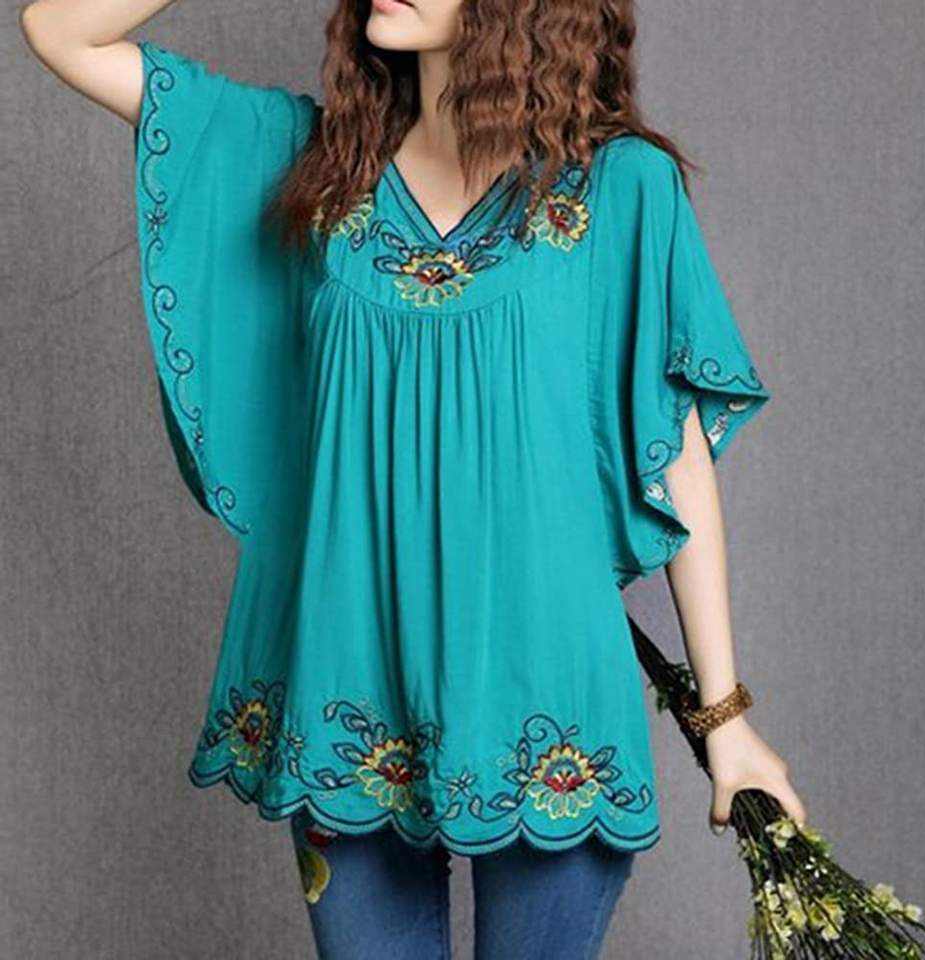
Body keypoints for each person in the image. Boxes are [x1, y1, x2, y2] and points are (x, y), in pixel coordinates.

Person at [21, 0, 807, 956]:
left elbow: (675, 455)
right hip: (346, 695)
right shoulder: (313, 166)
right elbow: (60, 31)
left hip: (546, 703)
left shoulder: (619, 188)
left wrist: (725, 719)